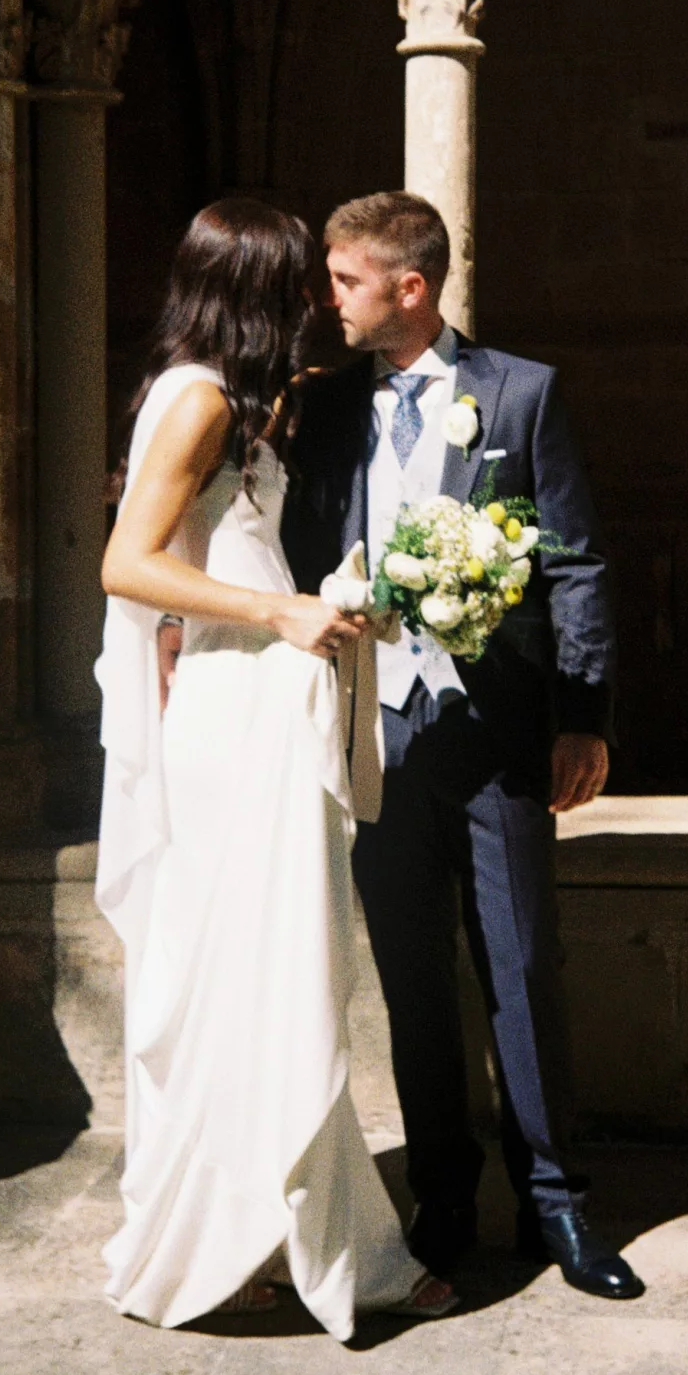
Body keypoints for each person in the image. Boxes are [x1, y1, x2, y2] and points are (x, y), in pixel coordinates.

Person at [93, 197, 457, 1339]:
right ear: (252, 288)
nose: (311, 301)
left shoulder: (235, 398)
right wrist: (279, 612)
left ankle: (267, 1234)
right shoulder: (197, 397)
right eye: (296, 280)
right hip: (232, 706)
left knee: (273, 977)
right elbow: (125, 564)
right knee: (249, 978)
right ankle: (254, 1242)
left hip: (259, 700)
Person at [281, 191, 646, 1302]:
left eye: (345, 280)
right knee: (410, 977)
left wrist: (583, 716)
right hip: (375, 734)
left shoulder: (517, 393)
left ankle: (558, 1208)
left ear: (411, 286)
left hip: (494, 733)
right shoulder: (327, 403)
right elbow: (294, 543)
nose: (326, 298)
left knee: (523, 966)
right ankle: (443, 1197)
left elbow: (573, 560)